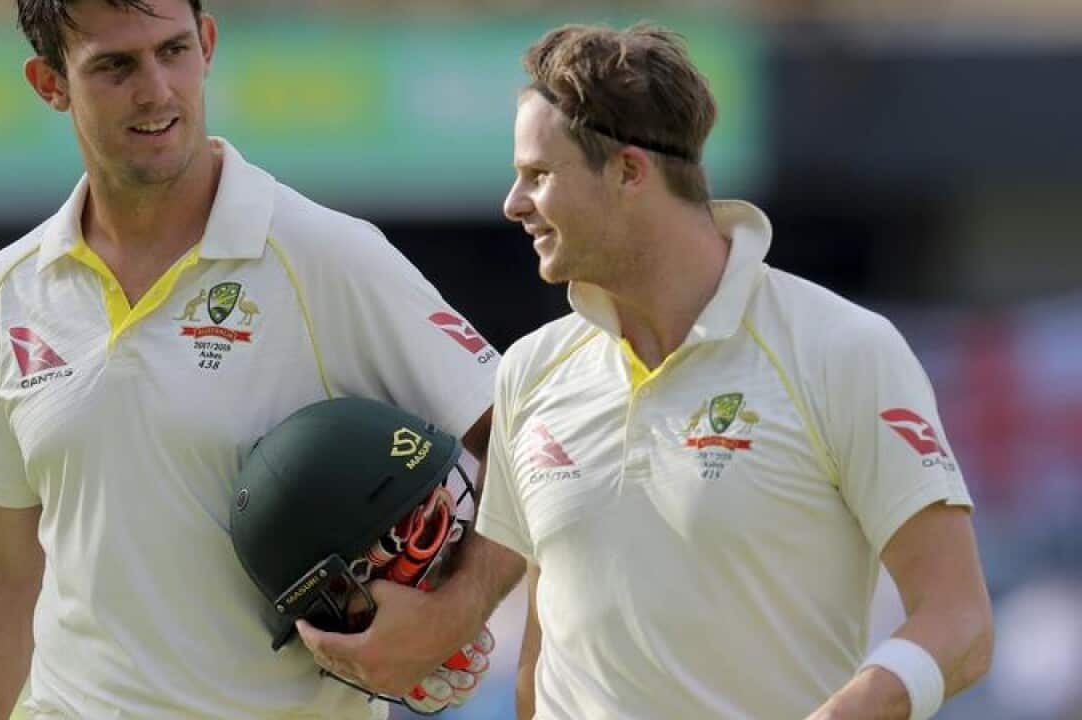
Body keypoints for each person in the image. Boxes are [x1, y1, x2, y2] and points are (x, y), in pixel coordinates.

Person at [299, 23, 995, 720]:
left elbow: (959, 623)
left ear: (631, 172)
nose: (512, 205)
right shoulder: (532, 370)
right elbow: (545, 655)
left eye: (538, 176)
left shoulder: (844, 349)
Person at [0, 0, 500, 717]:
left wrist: (453, 613)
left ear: (206, 42)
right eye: (115, 66)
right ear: (49, 83)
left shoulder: (326, 256)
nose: (156, 90)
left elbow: (525, 444)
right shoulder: (8, 290)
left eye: (172, 51)